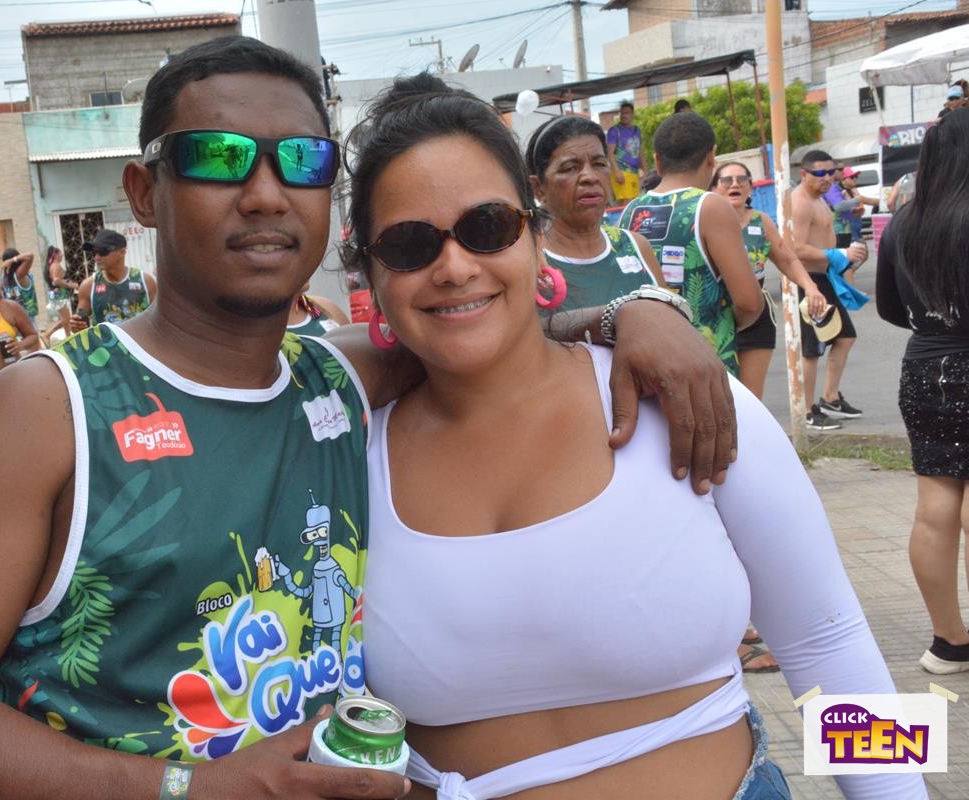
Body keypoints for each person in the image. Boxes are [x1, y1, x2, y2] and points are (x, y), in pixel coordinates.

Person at [0, 37, 738, 800]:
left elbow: (473, 323)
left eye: (304, 162)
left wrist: (634, 313)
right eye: (218, 157)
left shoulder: (337, 380)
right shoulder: (45, 415)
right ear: (143, 191)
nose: (266, 193)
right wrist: (194, 789)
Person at [348, 72, 926, 800]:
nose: (455, 266)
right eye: (408, 244)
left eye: (488, 227)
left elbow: (829, 637)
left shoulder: (687, 398)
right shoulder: (342, 455)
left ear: (535, 239)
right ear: (368, 273)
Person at [876, 109, 969, 675]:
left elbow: (890, 307)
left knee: (935, 508)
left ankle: (948, 644)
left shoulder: (904, 223)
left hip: (923, 368)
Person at [618, 113, 764, 376]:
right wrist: (720, 326)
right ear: (711, 157)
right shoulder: (710, 207)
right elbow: (750, 303)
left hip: (649, 367)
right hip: (706, 369)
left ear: (657, 161)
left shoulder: (630, 211)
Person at [710, 162, 828, 399]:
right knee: (720, 395)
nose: (735, 184)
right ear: (713, 189)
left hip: (755, 315)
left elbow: (787, 259)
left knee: (750, 398)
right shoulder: (705, 222)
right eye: (727, 180)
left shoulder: (761, 221)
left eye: (742, 179)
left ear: (750, 188)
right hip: (715, 316)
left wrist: (810, 287)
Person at [525, 115, 663, 310]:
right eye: (570, 168)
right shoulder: (529, 263)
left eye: (599, 164)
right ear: (538, 187)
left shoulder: (636, 247)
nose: (590, 177)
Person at [788, 150, 869, 431]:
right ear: (804, 174)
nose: (826, 178)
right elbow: (795, 249)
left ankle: (831, 398)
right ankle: (807, 411)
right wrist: (838, 253)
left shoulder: (820, 198)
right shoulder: (800, 203)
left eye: (831, 172)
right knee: (812, 349)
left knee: (845, 337)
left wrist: (843, 256)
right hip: (808, 281)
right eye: (819, 173)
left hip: (825, 277)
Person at [70, 229, 157, 328]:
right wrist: (76, 325)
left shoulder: (145, 281)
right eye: (94, 253)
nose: (96, 258)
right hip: (104, 339)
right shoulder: (89, 286)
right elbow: (79, 324)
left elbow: (159, 319)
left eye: (103, 251)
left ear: (122, 252)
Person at [605, 101, 643, 204]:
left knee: (635, 202)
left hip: (635, 172)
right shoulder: (614, 131)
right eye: (622, 113)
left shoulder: (637, 130)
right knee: (627, 203)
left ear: (632, 114)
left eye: (627, 113)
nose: (624, 115)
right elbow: (610, 153)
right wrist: (617, 172)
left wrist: (645, 169)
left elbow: (640, 152)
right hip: (622, 172)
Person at [0, 247, 39, 322]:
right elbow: (30, 256)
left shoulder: (4, 278)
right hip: (26, 318)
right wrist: (13, 260)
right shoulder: (19, 275)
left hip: (13, 318)